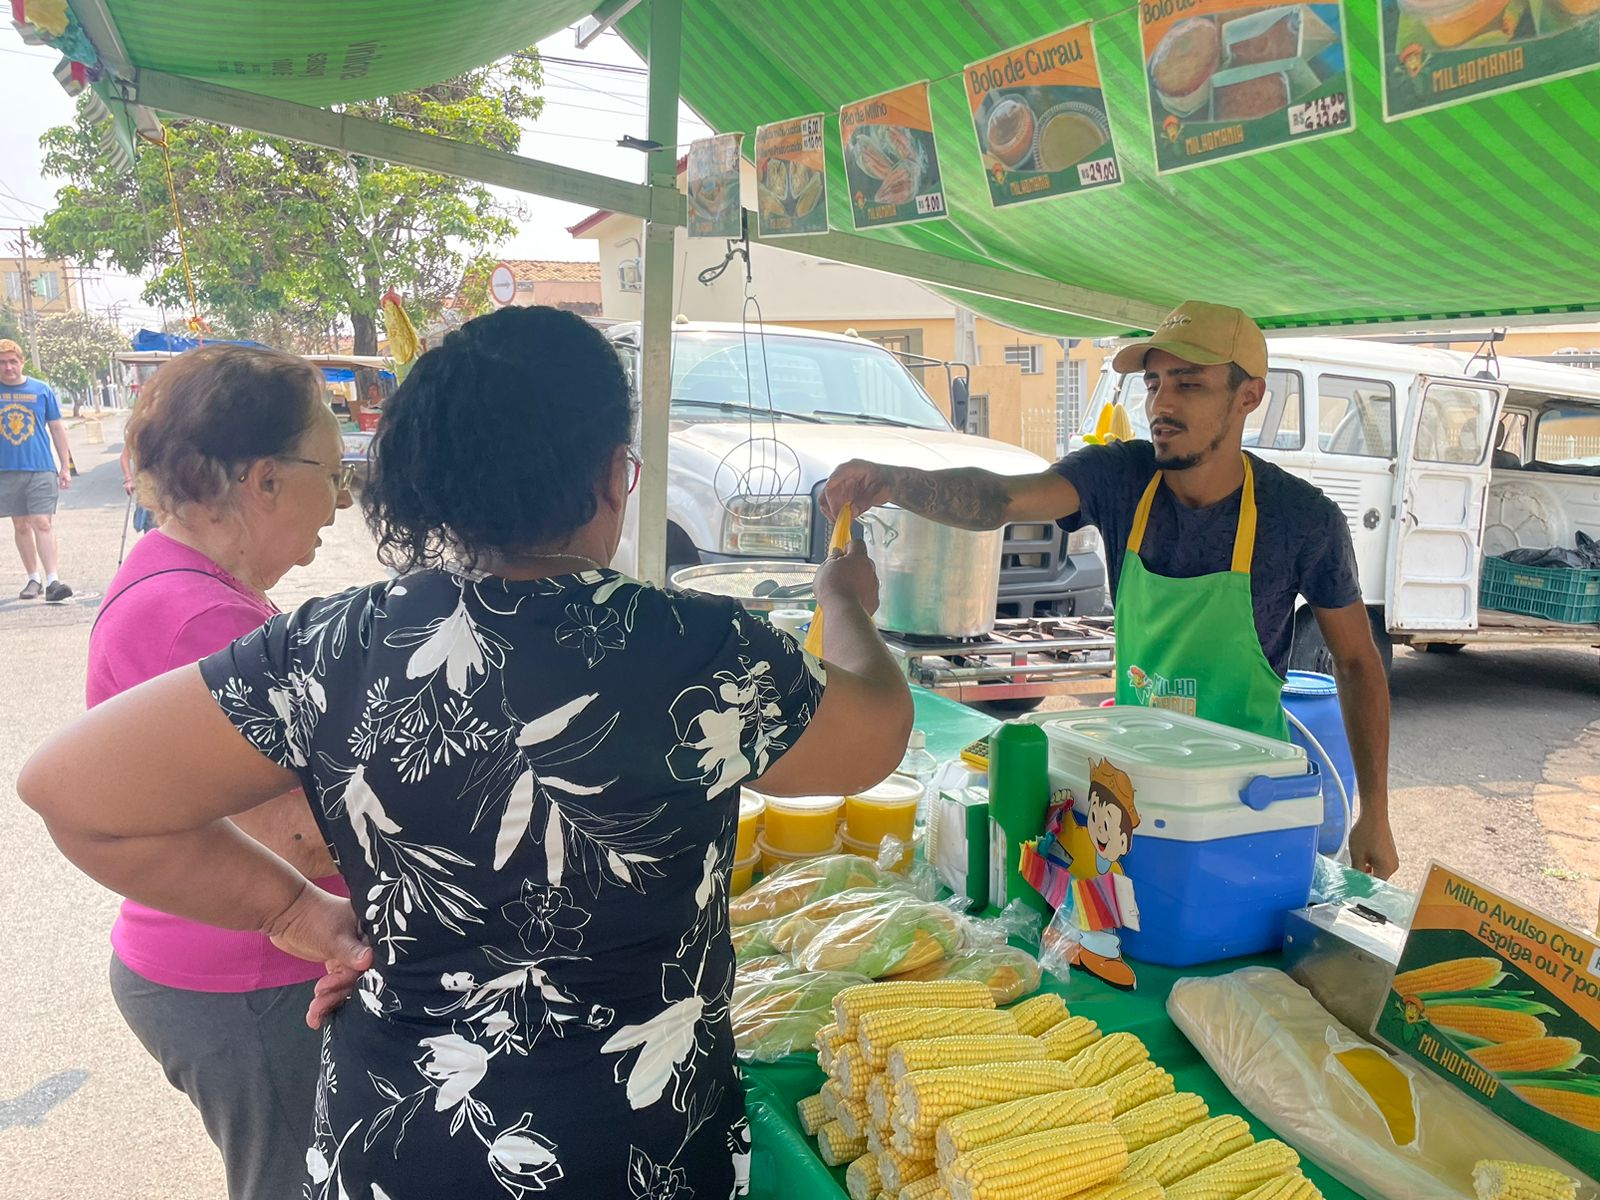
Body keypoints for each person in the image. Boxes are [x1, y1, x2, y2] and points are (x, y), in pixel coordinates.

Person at [20, 305, 912, 1198]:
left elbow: (70, 792)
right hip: (639, 1149)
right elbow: (874, 736)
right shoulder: (697, 647)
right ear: (611, 475)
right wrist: (846, 606)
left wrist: (297, 913)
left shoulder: (335, 647)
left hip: (404, 1146)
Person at [825, 300, 1397, 881]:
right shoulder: (1122, 478)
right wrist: (893, 480)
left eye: (1190, 384)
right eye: (1154, 383)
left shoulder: (1302, 518)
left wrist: (1374, 810)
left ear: (1249, 395)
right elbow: (1000, 500)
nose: (1162, 404)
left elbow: (1355, 663)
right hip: (1129, 793)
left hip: (1246, 804)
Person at [88, 344, 356, 1199]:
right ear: (264, 482)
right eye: (333, 469)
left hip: (244, 964)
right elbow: (291, 836)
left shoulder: (205, 590)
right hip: (251, 978)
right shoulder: (196, 614)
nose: (342, 499)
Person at [0, 338, 74, 601]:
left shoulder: (41, 390)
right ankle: (33, 578)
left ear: (21, 362)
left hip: (40, 467)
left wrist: (65, 466)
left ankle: (54, 581)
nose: (8, 367)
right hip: (5, 470)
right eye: (2, 362)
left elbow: (56, 428)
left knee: (42, 522)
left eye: (12, 361)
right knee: (20, 525)